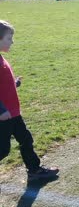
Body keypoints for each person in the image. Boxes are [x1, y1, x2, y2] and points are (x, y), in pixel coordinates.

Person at [0, 20, 59, 180]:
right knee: (3, 149)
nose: (12, 42)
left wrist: (14, 84)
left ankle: (34, 170)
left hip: (13, 112)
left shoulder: (1, 58)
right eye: (8, 38)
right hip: (4, 115)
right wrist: (1, 110)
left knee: (26, 139)